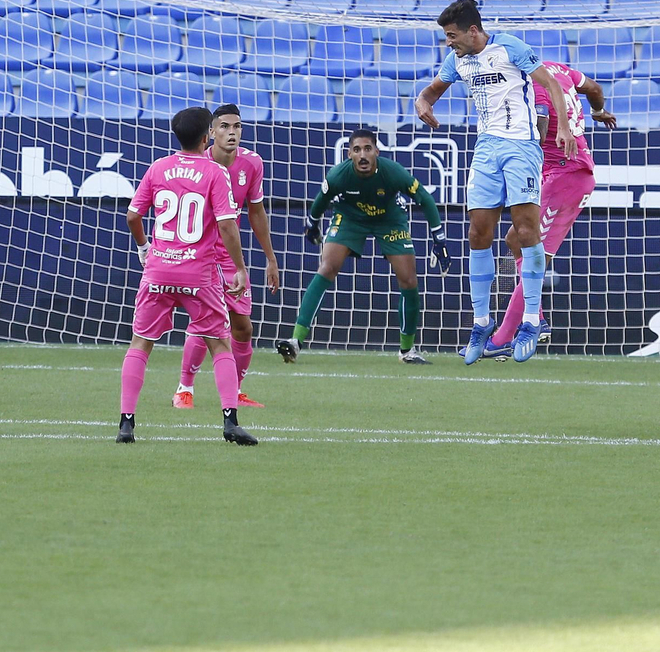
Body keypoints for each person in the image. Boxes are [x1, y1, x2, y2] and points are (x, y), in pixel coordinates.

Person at [413, 0, 577, 366]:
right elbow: (431, 91)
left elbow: (550, 83)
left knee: (526, 230)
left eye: (452, 36)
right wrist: (422, 102)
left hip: (521, 146)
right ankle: (481, 323)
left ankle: (531, 321)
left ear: (473, 31)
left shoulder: (509, 47)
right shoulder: (457, 60)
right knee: (478, 232)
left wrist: (563, 127)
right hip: (486, 148)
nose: (448, 42)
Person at [120, 106, 256, 445]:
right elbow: (227, 226)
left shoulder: (158, 167)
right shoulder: (215, 172)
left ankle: (126, 423)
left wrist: (144, 247)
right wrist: (239, 268)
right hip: (199, 274)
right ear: (207, 135)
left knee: (141, 343)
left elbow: (133, 215)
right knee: (220, 344)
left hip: (159, 270)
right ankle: (230, 422)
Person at [275, 128, 451, 365]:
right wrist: (312, 224)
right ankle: (296, 341)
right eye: (357, 150)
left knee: (408, 279)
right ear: (349, 154)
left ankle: (407, 351)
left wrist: (439, 238)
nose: (363, 155)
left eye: (367, 149)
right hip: (350, 216)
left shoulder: (392, 172)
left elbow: (424, 198)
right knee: (327, 266)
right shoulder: (339, 175)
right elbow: (322, 199)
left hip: (389, 219)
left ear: (377, 151)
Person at [484, 60, 615, 359]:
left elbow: (541, 127)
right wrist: (598, 112)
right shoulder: (560, 69)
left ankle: (503, 338)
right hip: (561, 174)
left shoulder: (534, 84)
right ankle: (538, 316)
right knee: (514, 239)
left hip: (567, 175)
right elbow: (594, 89)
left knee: (534, 258)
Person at [174, 104, 280, 410]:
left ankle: (236, 391)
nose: (231, 132)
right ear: (210, 132)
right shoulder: (197, 164)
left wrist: (270, 258)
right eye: (224, 127)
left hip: (231, 256)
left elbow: (256, 212)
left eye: (237, 127)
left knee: (243, 327)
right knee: (205, 322)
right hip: (201, 254)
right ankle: (184, 389)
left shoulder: (252, 163)